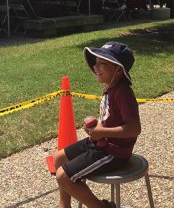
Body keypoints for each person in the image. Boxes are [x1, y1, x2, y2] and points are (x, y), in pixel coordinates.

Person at [54, 41, 141, 208]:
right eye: (96, 63)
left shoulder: (123, 93)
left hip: (114, 152)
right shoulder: (110, 87)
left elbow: (134, 128)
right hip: (101, 142)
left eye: (102, 64)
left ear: (118, 69)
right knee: (58, 158)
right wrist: (97, 126)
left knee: (63, 176)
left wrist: (102, 131)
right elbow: (111, 117)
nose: (95, 67)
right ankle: (64, 206)